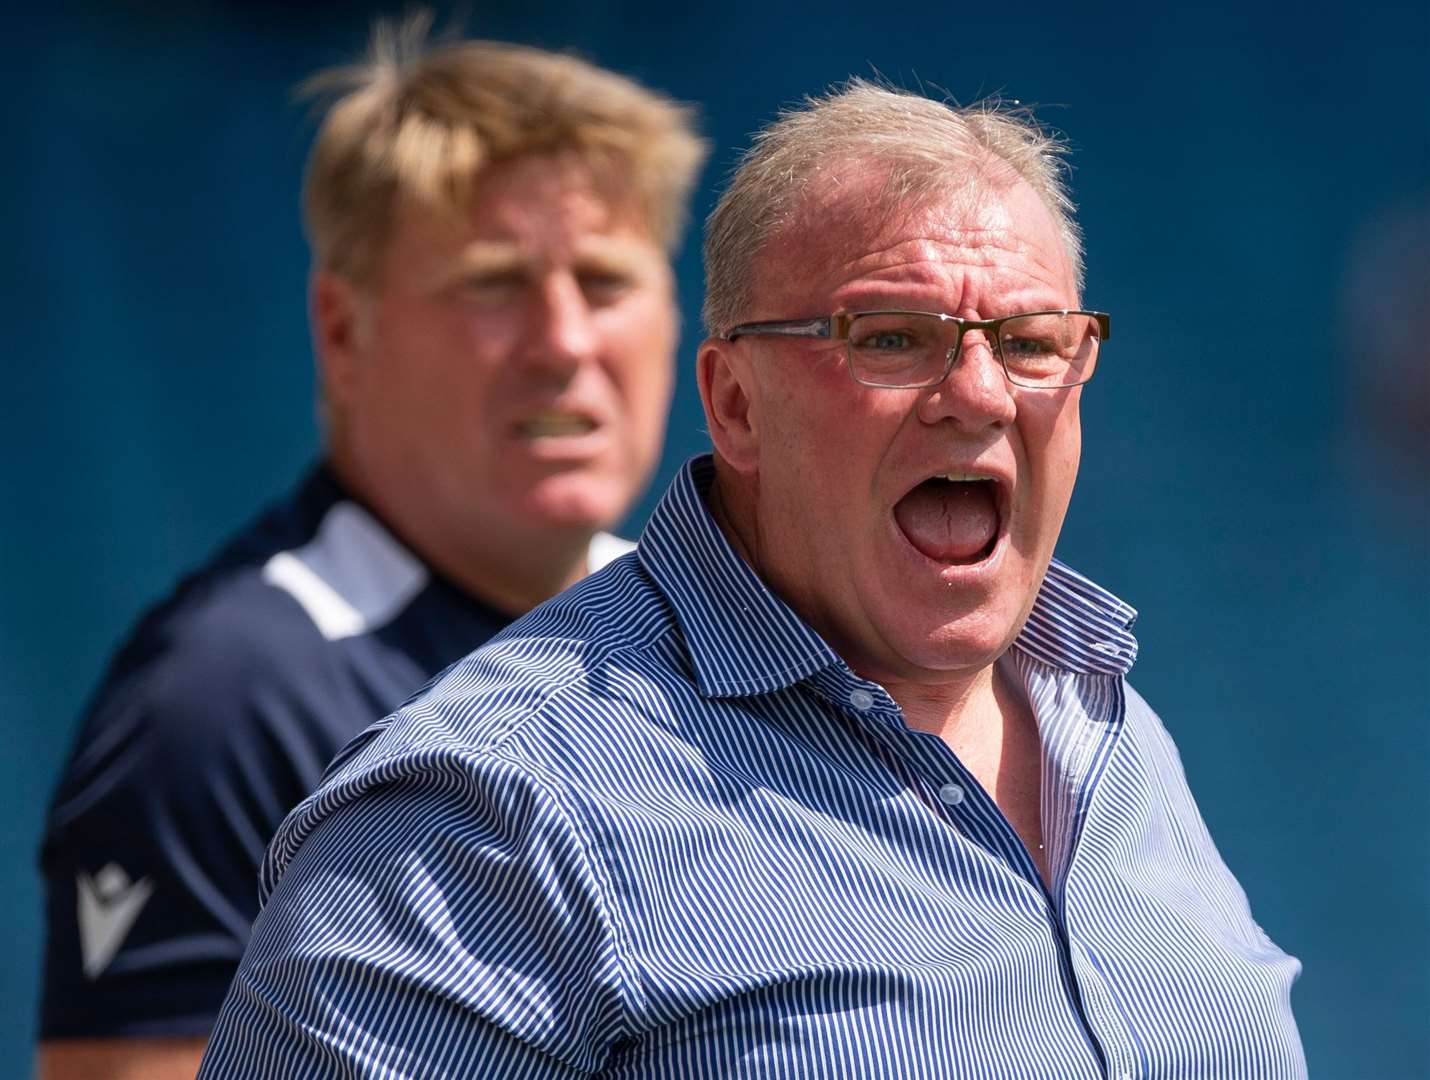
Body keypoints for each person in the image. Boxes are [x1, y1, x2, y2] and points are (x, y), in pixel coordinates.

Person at [198, 82, 1306, 1078]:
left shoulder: (1107, 724)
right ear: (733, 405)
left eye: (1028, 341)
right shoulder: (491, 814)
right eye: (891, 338)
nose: (978, 393)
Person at [35, 17, 705, 1079]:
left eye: (606, 281)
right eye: (493, 283)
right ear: (344, 332)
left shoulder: (726, 635)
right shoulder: (222, 699)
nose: (564, 342)